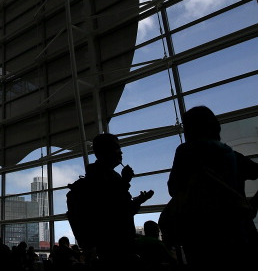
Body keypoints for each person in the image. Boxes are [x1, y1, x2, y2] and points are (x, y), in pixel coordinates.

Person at [167, 106, 257, 270]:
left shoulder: (185, 152)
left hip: (200, 237)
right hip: (239, 232)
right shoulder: (233, 157)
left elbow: (173, 188)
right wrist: (252, 206)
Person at [85, 133, 154, 268]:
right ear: (105, 151)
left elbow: (123, 208)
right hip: (115, 244)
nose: (120, 152)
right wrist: (125, 182)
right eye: (116, 148)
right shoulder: (99, 176)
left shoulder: (104, 175)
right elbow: (113, 210)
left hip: (113, 244)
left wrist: (138, 200)